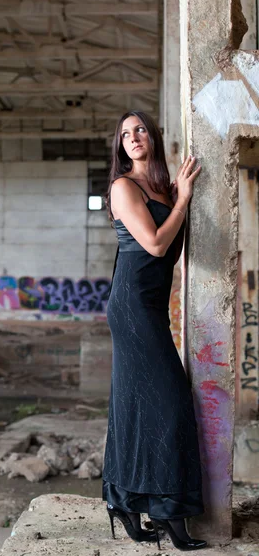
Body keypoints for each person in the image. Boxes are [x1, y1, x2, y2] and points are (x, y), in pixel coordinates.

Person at [102, 111, 207, 552]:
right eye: (125, 134)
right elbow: (158, 245)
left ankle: (123, 500)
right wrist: (183, 200)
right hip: (131, 307)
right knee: (173, 403)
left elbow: (174, 252)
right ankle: (169, 515)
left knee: (133, 403)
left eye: (140, 129)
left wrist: (178, 197)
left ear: (153, 135)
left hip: (151, 306)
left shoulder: (161, 188)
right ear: (120, 146)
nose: (133, 138)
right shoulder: (123, 187)